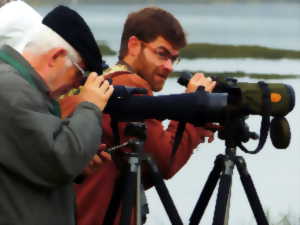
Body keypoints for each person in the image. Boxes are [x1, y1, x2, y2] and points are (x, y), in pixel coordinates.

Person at [60, 6, 217, 225]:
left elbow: (140, 169)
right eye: (161, 54)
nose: (168, 66)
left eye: (174, 59)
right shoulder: (131, 84)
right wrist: (191, 110)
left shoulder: (109, 78)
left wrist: (195, 125)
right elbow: (163, 162)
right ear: (134, 45)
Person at [0, 5, 113, 225]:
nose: (75, 87)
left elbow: (30, 163)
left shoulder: (22, 87)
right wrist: (90, 106)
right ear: (56, 57)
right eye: (80, 75)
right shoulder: (12, 91)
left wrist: (79, 167)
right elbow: (58, 160)